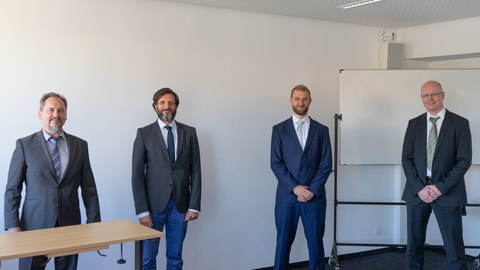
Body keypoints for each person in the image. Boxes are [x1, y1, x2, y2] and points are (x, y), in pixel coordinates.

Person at [3, 92, 101, 270]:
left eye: (61, 110)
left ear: (66, 115)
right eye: (51, 110)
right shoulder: (24, 145)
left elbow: (89, 188)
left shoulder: (80, 145)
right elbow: (12, 189)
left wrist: (93, 222)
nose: (56, 114)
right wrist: (12, 225)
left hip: (69, 223)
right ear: (40, 114)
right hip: (33, 226)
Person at [402, 80, 472, 270]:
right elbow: (406, 159)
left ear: (442, 95)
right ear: (421, 98)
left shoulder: (460, 123)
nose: (430, 98)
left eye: (434, 94)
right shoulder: (414, 124)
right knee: (413, 246)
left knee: (454, 248)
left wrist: (440, 188)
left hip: (447, 193)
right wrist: (420, 188)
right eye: (425, 95)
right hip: (418, 193)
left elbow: (464, 161)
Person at [131, 87, 202, 270]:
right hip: (153, 208)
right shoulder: (144, 133)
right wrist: (142, 211)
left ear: (176, 106)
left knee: (175, 258)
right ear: (155, 106)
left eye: (171, 102)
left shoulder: (190, 133)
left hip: (180, 206)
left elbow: (196, 170)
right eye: (162, 102)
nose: (166, 106)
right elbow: (137, 175)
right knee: (147, 259)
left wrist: (194, 205)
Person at [270, 84, 332, 270]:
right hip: (286, 197)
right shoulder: (279, 129)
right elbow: (275, 163)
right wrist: (295, 187)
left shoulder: (322, 130)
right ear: (290, 100)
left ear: (310, 101)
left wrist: (311, 190)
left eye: (304, 98)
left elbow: (326, 164)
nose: (300, 102)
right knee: (283, 244)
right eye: (297, 98)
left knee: (315, 245)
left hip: (315, 197)